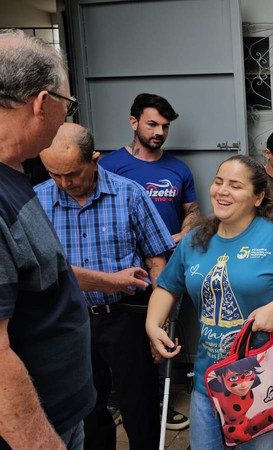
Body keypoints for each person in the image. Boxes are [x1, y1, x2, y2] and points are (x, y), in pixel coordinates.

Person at [145, 155, 273, 450]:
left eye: (235, 186)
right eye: (218, 182)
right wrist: (152, 324)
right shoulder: (195, 240)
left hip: (260, 384)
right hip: (208, 380)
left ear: (258, 197)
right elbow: (168, 287)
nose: (222, 191)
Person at [35, 123, 175, 449]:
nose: (65, 183)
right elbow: (42, 271)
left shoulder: (130, 194)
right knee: (87, 408)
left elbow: (157, 262)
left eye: (72, 173)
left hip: (126, 316)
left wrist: (159, 322)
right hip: (69, 319)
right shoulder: (38, 200)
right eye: (55, 174)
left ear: (94, 159)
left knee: (140, 403)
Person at [0, 29, 95, 450]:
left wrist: (108, 281)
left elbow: (35, 274)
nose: (66, 116)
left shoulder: (15, 174)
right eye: (67, 104)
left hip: (60, 414)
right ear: (42, 103)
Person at [99, 93, 196, 429]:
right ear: (134, 122)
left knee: (161, 337)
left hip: (167, 271)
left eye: (165, 126)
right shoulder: (109, 166)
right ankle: (115, 404)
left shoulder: (178, 169)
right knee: (121, 342)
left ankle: (159, 404)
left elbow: (193, 212)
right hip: (123, 273)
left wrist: (180, 235)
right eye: (152, 124)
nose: (159, 132)